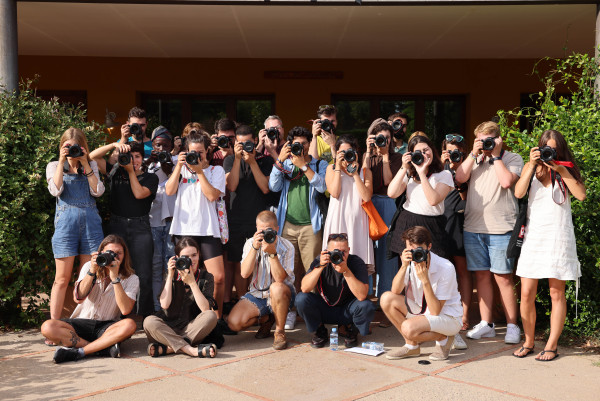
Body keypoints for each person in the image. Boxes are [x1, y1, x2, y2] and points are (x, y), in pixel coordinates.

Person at [512, 130, 585, 361]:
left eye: (553, 149)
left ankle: (552, 345)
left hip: (558, 236)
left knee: (556, 292)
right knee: (526, 293)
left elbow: (581, 195)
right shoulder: (531, 167)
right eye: (546, 148)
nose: (549, 153)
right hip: (534, 236)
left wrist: (562, 170)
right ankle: (529, 342)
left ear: (560, 150)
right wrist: (531, 165)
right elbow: (518, 192)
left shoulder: (566, 168)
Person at [454, 121, 523, 344]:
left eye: (489, 140)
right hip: (473, 228)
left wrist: (496, 156)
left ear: (498, 139)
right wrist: (473, 155)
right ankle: (487, 324)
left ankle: (512, 325)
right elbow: (459, 178)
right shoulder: (474, 160)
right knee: (481, 276)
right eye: (480, 140)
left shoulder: (512, 158)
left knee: (503, 278)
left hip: (501, 228)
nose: (485, 144)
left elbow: (506, 182)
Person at [41, 235, 139, 364]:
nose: (113, 256)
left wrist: (115, 278)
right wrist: (92, 271)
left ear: (125, 256)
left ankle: (80, 351)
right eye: (109, 252)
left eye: (118, 253)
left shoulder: (132, 278)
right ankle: (101, 348)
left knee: (129, 325)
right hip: (81, 322)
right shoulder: (89, 266)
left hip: (106, 327)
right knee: (47, 327)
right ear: (101, 253)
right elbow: (78, 298)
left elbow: (125, 310)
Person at [46, 128, 105, 339]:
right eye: (68, 147)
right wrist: (62, 161)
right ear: (62, 147)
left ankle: (83, 326)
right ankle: (53, 330)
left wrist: (85, 162)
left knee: (87, 278)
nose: (72, 150)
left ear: (83, 147)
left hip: (91, 226)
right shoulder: (54, 166)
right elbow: (55, 190)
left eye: (76, 147)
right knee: (61, 279)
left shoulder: (91, 165)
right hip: (65, 227)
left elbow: (98, 191)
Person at [90, 141, 159, 317]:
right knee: (116, 268)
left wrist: (130, 172)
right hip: (116, 225)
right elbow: (92, 157)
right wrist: (114, 144)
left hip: (140, 227)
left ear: (143, 158)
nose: (133, 160)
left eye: (137, 156)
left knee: (144, 273)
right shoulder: (115, 172)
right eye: (130, 156)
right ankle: (119, 314)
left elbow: (139, 194)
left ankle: (144, 316)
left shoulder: (151, 178)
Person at [269, 126, 328, 328]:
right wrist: (279, 162)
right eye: (296, 144)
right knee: (290, 272)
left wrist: (304, 166)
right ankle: (291, 311)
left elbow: (322, 186)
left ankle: (312, 311)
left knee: (313, 270)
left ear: (310, 144)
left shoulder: (319, 163)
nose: (300, 147)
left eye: (304, 144)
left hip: (311, 226)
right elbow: (273, 187)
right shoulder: (285, 163)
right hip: (287, 225)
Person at [166, 132, 227, 321]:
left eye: (200, 152)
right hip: (183, 229)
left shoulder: (216, 170)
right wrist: (178, 166)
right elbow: (169, 191)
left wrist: (200, 171)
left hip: (208, 229)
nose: (196, 156)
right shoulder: (181, 168)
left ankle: (216, 319)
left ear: (208, 150)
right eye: (193, 152)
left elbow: (212, 196)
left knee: (218, 277)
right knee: (184, 276)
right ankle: (185, 318)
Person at [381, 226, 462, 361]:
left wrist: (425, 280)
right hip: (423, 311)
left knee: (408, 328)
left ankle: (444, 338)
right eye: (410, 250)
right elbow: (395, 291)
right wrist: (404, 266)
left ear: (429, 246)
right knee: (386, 299)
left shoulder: (446, 267)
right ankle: (412, 346)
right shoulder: (410, 262)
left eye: (419, 250)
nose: (415, 254)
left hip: (448, 317)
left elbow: (435, 311)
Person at [227, 211, 295, 350]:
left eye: (268, 230)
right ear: (256, 228)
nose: (264, 235)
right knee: (234, 323)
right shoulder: (250, 243)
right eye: (261, 231)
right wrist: (254, 248)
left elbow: (280, 279)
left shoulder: (287, 246)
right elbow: (244, 274)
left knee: (276, 287)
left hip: (282, 294)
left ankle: (279, 332)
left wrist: (272, 253)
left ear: (277, 229)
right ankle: (267, 319)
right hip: (258, 294)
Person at [223, 125, 274, 309]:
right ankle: (243, 302)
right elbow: (231, 186)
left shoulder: (264, 160)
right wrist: (238, 159)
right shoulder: (230, 160)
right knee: (239, 263)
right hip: (236, 219)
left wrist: (252, 162)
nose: (245, 147)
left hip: (257, 220)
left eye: (248, 143)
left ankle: (258, 303)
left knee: (259, 263)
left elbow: (265, 188)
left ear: (255, 141)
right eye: (240, 143)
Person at [143, 237, 219, 358]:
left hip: (191, 330)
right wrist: (170, 276)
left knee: (211, 316)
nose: (191, 260)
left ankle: (169, 348)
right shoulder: (171, 275)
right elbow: (164, 305)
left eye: (194, 255)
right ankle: (190, 350)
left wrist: (192, 283)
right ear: (177, 258)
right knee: (149, 321)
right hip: (167, 328)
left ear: (199, 255)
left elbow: (205, 309)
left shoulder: (206, 277)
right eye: (186, 257)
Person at [296, 233, 375, 348]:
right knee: (301, 299)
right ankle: (320, 330)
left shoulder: (356, 262)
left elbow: (362, 295)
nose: (340, 255)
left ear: (349, 250)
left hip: (348, 310)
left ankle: (352, 331)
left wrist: (346, 271)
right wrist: (320, 266)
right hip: (325, 309)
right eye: (335, 252)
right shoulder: (320, 260)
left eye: (344, 252)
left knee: (367, 305)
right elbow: (304, 288)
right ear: (327, 251)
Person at [387, 134, 454, 259]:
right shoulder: (410, 173)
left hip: (432, 225)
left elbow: (433, 200)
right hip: (407, 222)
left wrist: (422, 173)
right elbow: (391, 193)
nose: (423, 154)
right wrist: (404, 167)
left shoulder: (444, 174)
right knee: (408, 266)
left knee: (433, 264)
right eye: (418, 152)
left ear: (432, 150)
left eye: (426, 150)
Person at [362, 120, 403, 305]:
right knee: (366, 250)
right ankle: (366, 296)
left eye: (387, 137)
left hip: (387, 203)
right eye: (380, 137)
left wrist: (385, 156)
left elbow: (388, 182)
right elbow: (362, 175)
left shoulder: (396, 158)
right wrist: (368, 152)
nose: (383, 141)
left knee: (386, 252)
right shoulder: (367, 156)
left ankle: (385, 298)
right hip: (368, 203)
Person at [323, 134, 374, 274]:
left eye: (349, 152)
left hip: (358, 224)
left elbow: (366, 197)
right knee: (335, 262)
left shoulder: (365, 172)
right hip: (337, 221)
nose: (346, 155)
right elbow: (335, 192)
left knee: (359, 266)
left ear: (356, 153)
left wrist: (355, 174)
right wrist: (338, 167)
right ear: (337, 153)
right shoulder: (331, 169)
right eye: (342, 152)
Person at [440, 134, 471, 349]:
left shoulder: (468, 170)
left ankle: (465, 316)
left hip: (459, 221)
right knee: (442, 271)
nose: (453, 155)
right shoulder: (438, 168)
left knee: (462, 270)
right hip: (441, 223)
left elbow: (466, 199)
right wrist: (443, 166)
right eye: (449, 151)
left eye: (457, 151)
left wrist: (459, 169)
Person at [145, 126, 177, 312]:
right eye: (158, 145)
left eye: (165, 145)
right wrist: (149, 162)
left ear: (171, 146)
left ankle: (171, 309)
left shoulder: (176, 162)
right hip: (154, 221)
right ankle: (158, 309)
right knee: (156, 266)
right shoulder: (147, 164)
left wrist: (168, 167)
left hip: (173, 221)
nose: (162, 149)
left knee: (171, 265)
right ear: (153, 145)